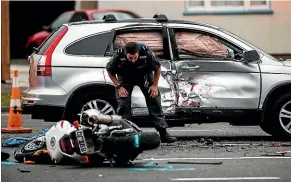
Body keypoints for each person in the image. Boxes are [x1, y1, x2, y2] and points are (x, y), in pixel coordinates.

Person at [106, 42, 177, 143]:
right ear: (126, 53)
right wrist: (119, 87)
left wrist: (154, 86)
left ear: (138, 52)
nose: (133, 60)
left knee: (154, 101)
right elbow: (110, 71)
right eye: (130, 58)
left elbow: (157, 68)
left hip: (144, 76)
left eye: (135, 57)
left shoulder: (146, 51)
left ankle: (163, 133)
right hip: (125, 78)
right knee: (123, 105)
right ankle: (125, 135)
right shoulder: (118, 54)